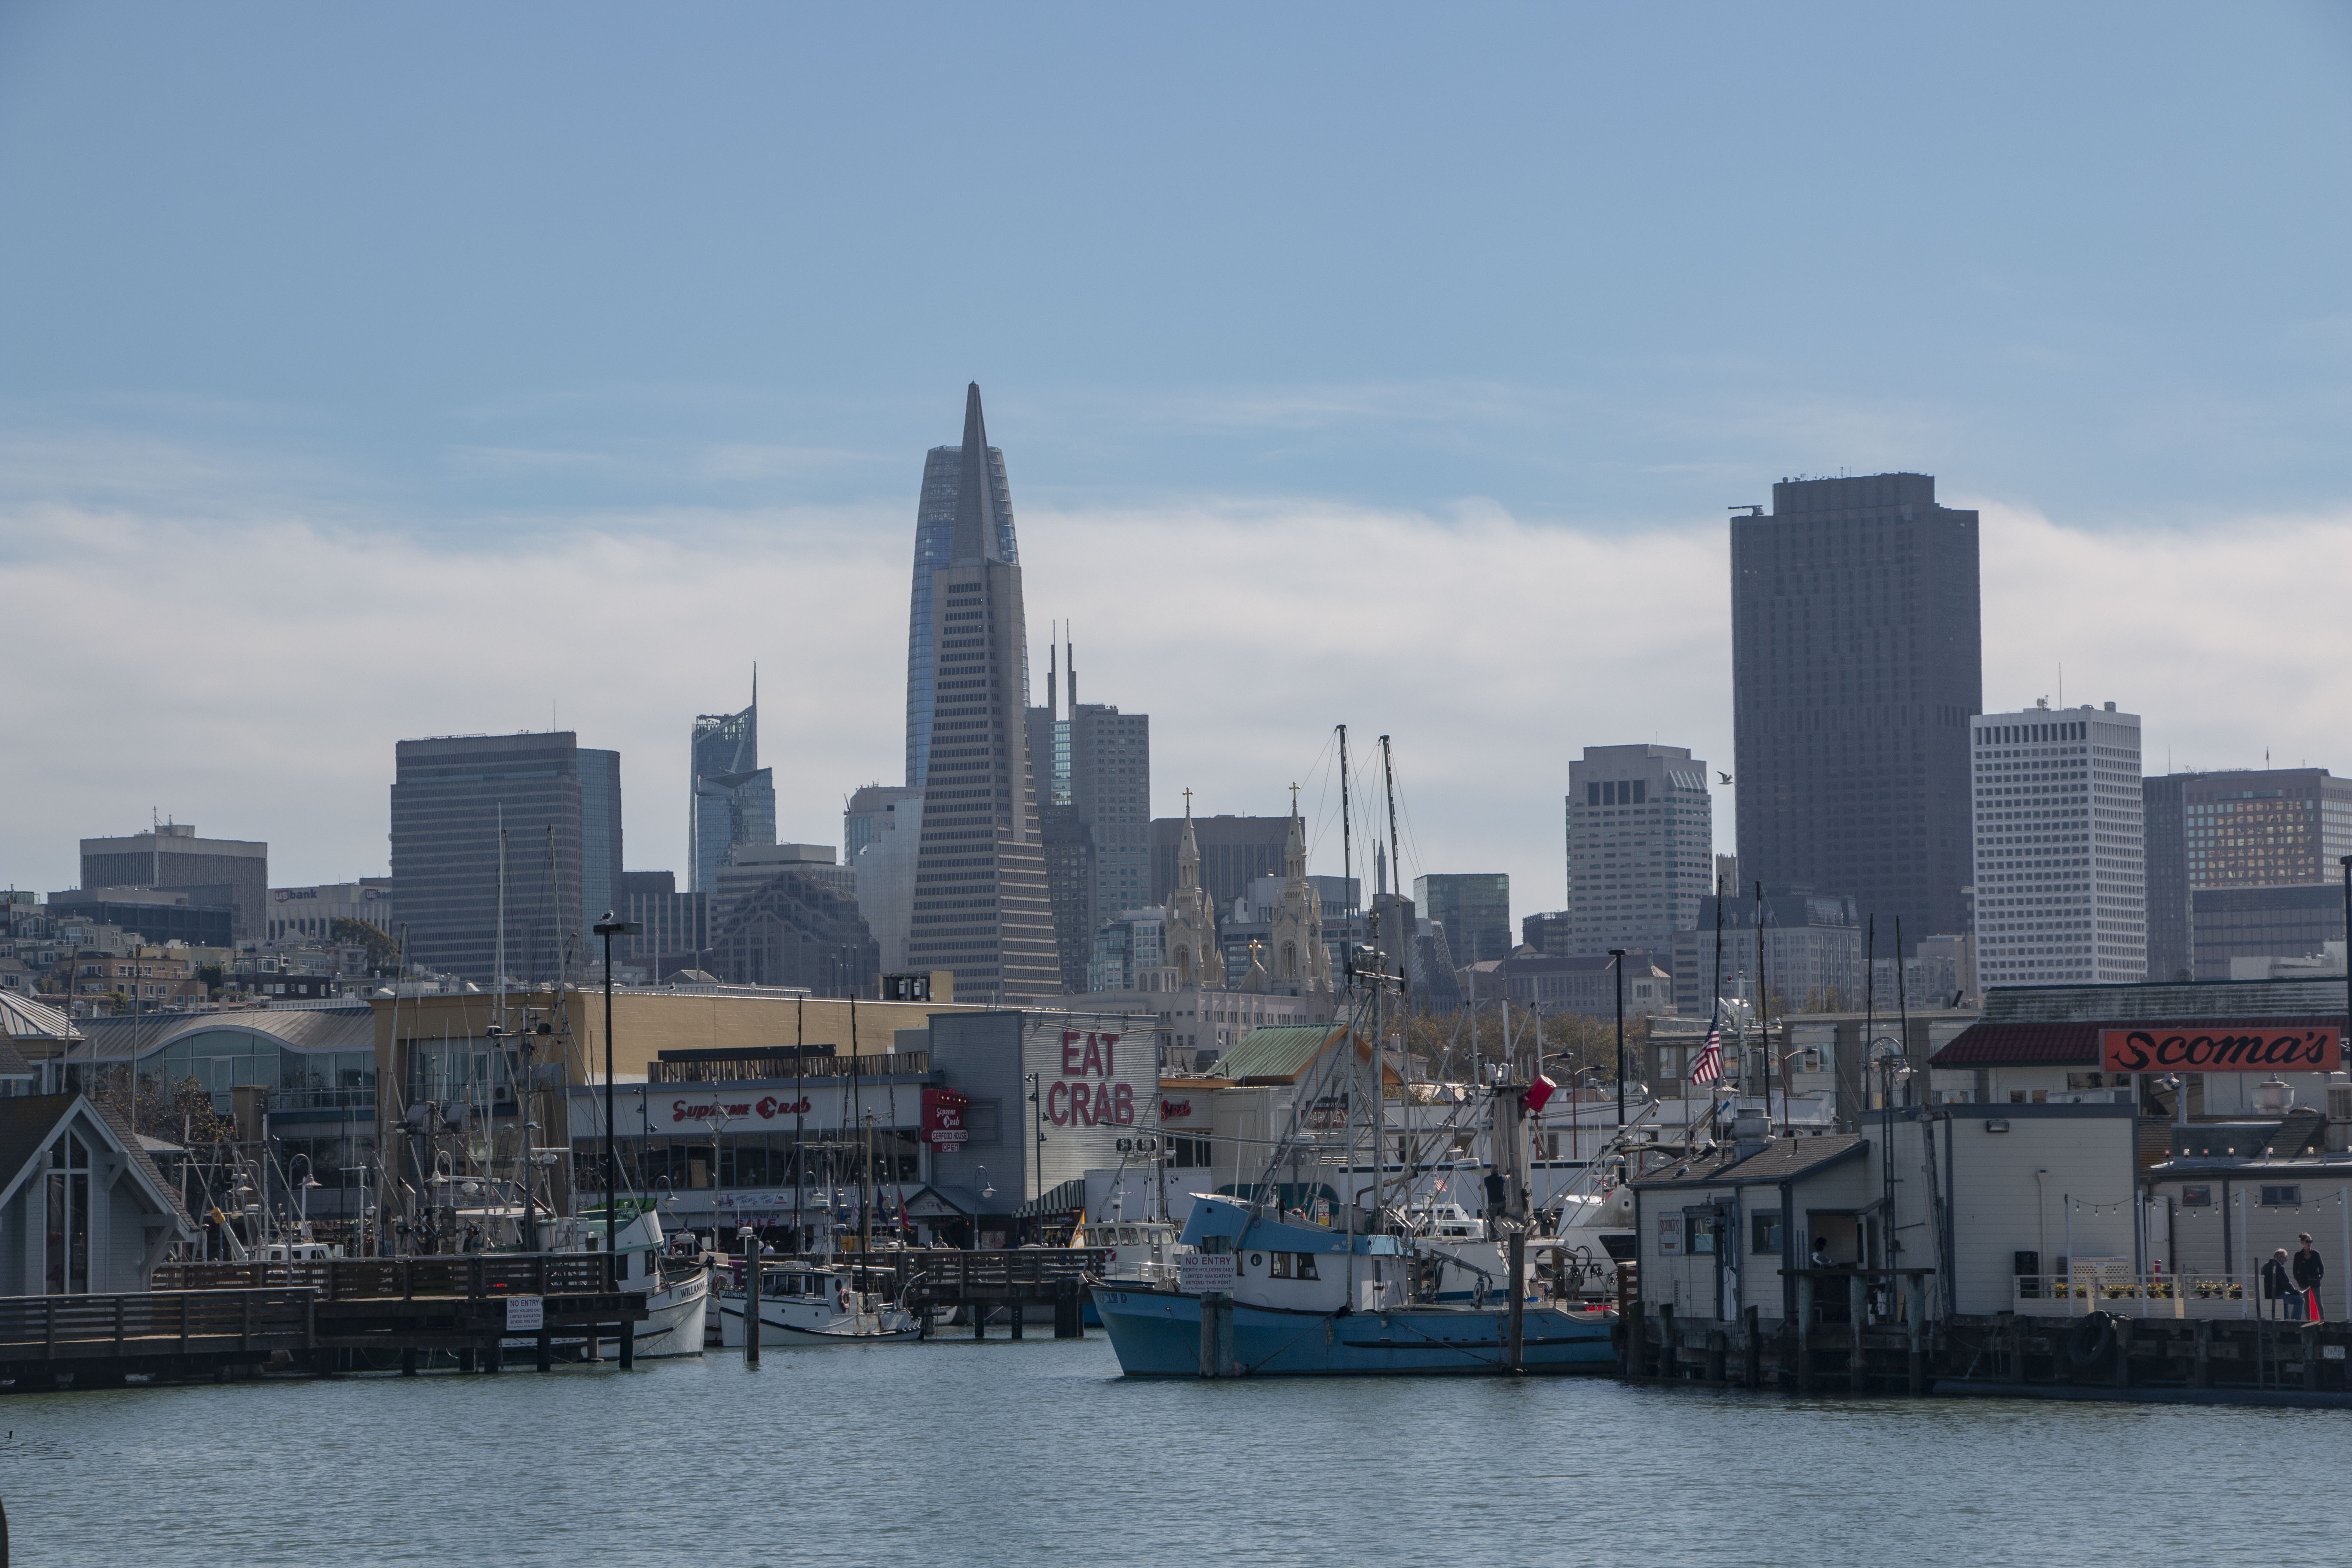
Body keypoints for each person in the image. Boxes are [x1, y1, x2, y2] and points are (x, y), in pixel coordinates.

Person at [2294, 1233, 2326, 1320]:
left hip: (2315, 1280)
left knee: (2318, 1302)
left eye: (2310, 1241)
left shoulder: (2316, 1254)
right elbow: (2295, 1270)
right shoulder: (2298, 1255)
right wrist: (2299, 1281)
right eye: (2307, 1241)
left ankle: (2322, 1321)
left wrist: (2320, 1277)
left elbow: (2321, 1267)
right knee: (2306, 1302)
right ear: (2302, 1242)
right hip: (2304, 1281)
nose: (2309, 1243)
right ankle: (2308, 1321)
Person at [2262, 1247, 2293, 1319]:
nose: (2285, 1262)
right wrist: (2297, 1292)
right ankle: (2295, 1322)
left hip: (2267, 1295)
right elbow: (2286, 1284)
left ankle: (2286, 1319)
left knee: (2285, 1298)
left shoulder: (2265, 1266)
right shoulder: (2279, 1267)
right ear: (2281, 1258)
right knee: (2300, 1300)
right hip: (2277, 1295)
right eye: (2286, 1259)